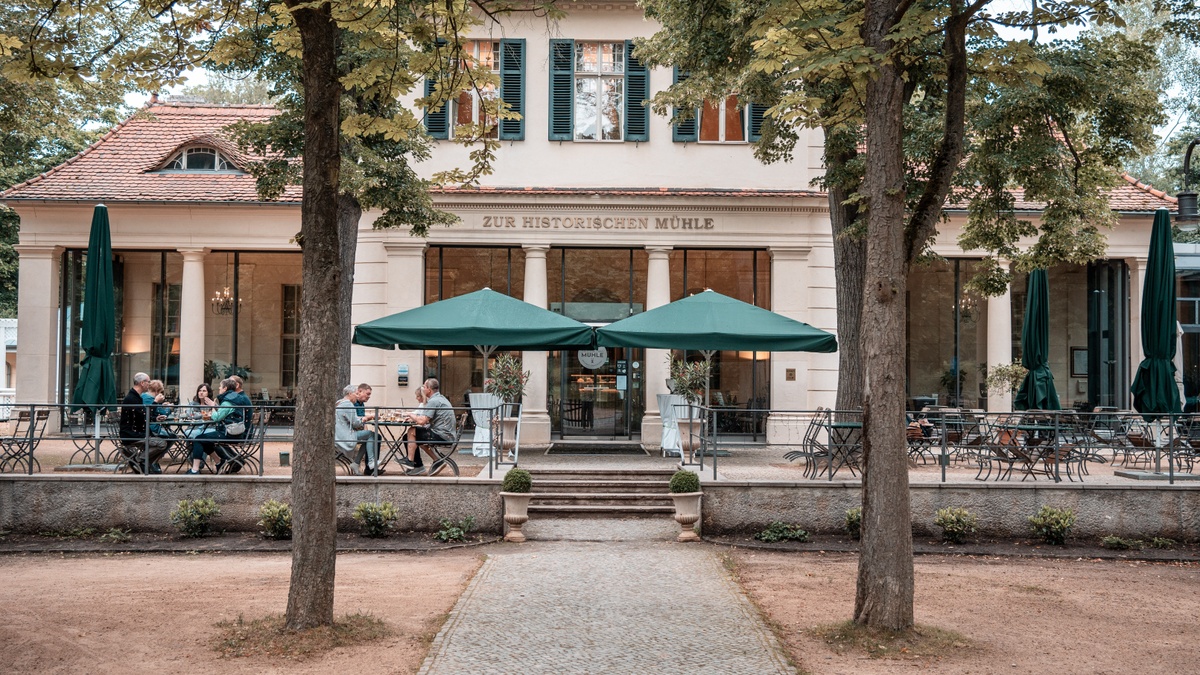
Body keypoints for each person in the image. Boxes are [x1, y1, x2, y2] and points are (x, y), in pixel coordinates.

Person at [184, 378, 248, 474]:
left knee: (198, 439)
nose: (219, 389)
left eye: (220, 387)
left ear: (225, 388)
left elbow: (216, 417)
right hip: (236, 432)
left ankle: (194, 470)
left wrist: (213, 406)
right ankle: (219, 462)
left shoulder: (228, 401)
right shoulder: (235, 398)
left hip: (229, 433)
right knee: (205, 440)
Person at [400, 378, 456, 475]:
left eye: (424, 387)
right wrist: (415, 419)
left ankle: (411, 461)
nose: (423, 389)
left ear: (429, 389)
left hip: (443, 436)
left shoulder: (433, 401)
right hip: (447, 434)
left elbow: (422, 421)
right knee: (413, 436)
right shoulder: (441, 398)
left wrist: (410, 415)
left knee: (412, 431)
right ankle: (425, 464)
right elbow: (428, 421)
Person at [118, 372, 170, 474]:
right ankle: (140, 460)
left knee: (166, 439)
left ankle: (144, 464)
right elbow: (143, 415)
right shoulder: (132, 398)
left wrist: (155, 419)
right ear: (142, 383)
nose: (149, 384)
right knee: (162, 443)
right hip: (133, 435)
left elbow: (141, 416)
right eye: (148, 382)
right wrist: (155, 402)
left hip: (135, 432)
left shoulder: (136, 396)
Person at [335, 384, 380, 475]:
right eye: (356, 394)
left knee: (367, 438)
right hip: (345, 437)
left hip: (338, 436)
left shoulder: (339, 402)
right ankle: (371, 462)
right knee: (372, 435)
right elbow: (356, 423)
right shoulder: (348, 404)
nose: (357, 396)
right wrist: (367, 418)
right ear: (350, 393)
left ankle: (356, 463)